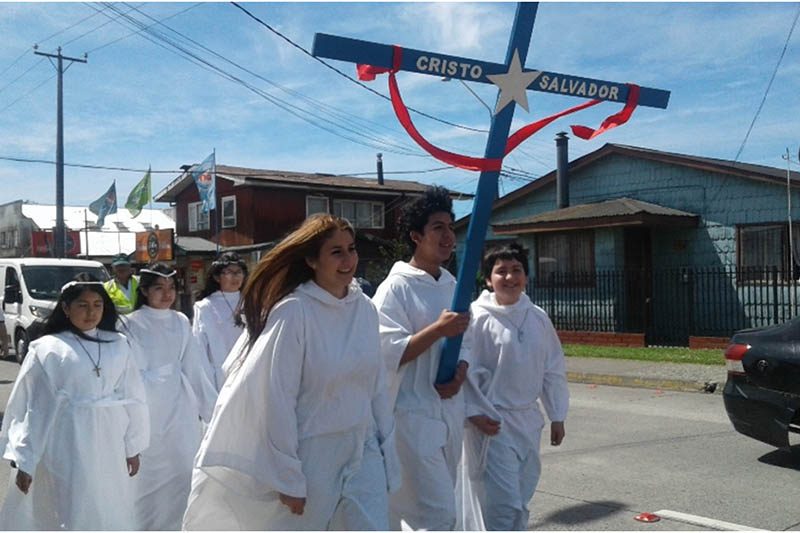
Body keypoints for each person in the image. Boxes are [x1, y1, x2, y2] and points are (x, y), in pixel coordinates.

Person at [183, 214, 400, 531]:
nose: (348, 259)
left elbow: (376, 386)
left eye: (351, 249)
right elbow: (275, 398)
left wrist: (386, 451)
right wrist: (287, 476)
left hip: (361, 448)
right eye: (336, 252)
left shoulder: (365, 309)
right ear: (312, 260)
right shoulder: (294, 311)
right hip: (311, 453)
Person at [0, 273, 149, 530]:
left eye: (97, 305)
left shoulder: (119, 343)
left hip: (109, 440)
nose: (91, 312)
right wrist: (26, 458)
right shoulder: (46, 348)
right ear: (66, 308)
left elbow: (133, 396)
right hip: (66, 438)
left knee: (110, 501)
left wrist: (132, 445)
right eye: (83, 305)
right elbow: (32, 406)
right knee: (71, 502)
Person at [372, 185, 472, 531]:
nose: (448, 235)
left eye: (450, 226)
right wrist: (436, 330)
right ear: (416, 236)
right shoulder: (395, 288)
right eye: (437, 228)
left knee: (438, 512)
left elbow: (466, 341)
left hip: (447, 411)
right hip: (412, 415)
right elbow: (385, 353)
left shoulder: (450, 283)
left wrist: (460, 372)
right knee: (435, 515)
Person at [462, 243, 569, 530]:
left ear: (526, 276)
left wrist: (557, 414)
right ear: (488, 279)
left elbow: (552, 368)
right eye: (501, 272)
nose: (509, 278)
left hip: (528, 421)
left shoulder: (537, 317)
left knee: (521, 498)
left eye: (516, 270)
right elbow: (464, 370)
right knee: (503, 505)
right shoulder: (476, 317)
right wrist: (472, 411)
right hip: (493, 422)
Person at [121, 263, 218, 530]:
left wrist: (213, 411)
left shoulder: (180, 321)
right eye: (159, 289)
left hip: (178, 405)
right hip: (144, 405)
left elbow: (194, 367)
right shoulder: (129, 324)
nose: (166, 295)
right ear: (144, 291)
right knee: (147, 475)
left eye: (171, 288)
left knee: (181, 467)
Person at [193, 252, 248, 391]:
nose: (235, 277)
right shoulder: (205, 307)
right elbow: (200, 351)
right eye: (229, 272)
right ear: (217, 277)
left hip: (249, 371)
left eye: (238, 272)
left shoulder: (252, 302)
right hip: (221, 378)